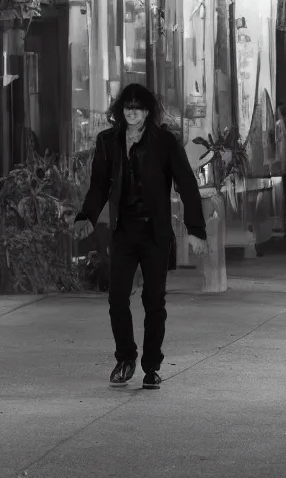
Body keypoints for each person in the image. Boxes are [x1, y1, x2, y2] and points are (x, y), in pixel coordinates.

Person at [71, 84, 208, 390]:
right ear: (120, 110)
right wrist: (87, 217)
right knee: (117, 297)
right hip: (123, 231)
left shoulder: (164, 142)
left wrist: (196, 230)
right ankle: (125, 358)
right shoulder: (108, 141)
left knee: (153, 301)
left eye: (138, 107)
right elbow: (98, 186)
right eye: (127, 106)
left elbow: (186, 185)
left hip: (155, 232)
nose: (132, 112)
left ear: (148, 111)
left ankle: (151, 366)